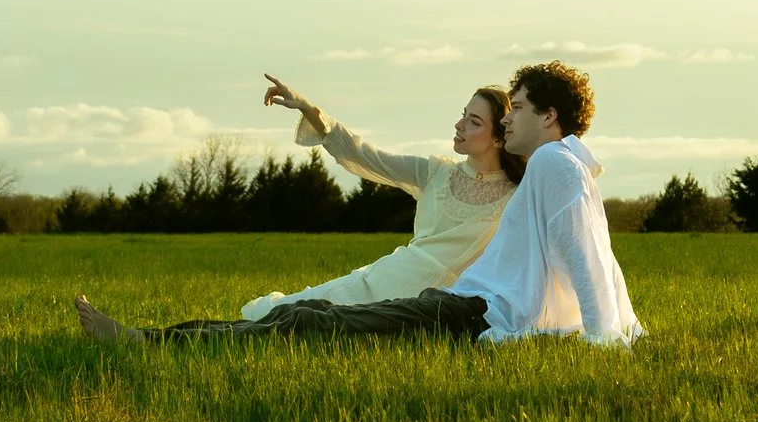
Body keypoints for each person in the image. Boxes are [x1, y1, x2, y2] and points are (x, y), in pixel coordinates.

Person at [74, 61, 645, 348]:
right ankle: (155, 340)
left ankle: (148, 342)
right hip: (444, 300)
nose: (510, 116)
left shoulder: (547, 168)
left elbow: (588, 262)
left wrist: (607, 343)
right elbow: (596, 260)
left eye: (516, 109)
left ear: (546, 118)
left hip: (462, 311)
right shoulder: (559, 169)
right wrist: (624, 331)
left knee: (304, 323)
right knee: (302, 315)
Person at [236, 75, 519, 320]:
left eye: (474, 121)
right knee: (288, 313)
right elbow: (364, 155)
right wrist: (306, 106)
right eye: (463, 114)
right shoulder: (436, 172)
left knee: (331, 327)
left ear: (498, 138)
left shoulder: (517, 196)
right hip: (386, 278)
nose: (459, 125)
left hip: (436, 303)